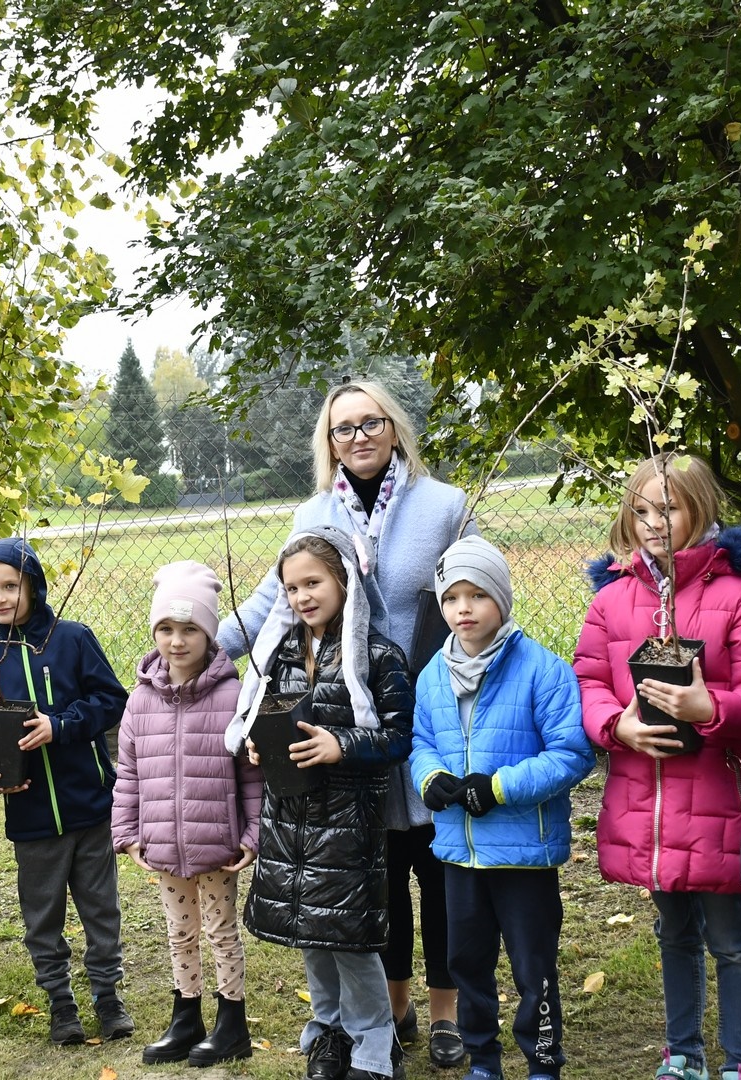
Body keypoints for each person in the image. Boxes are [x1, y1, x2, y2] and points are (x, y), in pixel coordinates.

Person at [219, 380, 468, 1067]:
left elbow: (475, 589)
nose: (357, 438)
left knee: (433, 865)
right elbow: (273, 599)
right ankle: (389, 1008)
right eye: (342, 429)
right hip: (340, 717)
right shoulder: (313, 512)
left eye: (369, 423)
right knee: (367, 872)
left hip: (423, 705)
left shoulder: (442, 506)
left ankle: (446, 1011)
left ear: (393, 427)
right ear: (327, 443)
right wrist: (192, 644)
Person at [573, 456, 741, 1080]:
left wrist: (709, 706)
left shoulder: (740, 596)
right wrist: (616, 725)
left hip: (717, 798)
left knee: (733, 941)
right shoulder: (613, 601)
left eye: (669, 509)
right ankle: (682, 1052)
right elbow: (590, 679)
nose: (654, 523)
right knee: (674, 933)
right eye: (642, 511)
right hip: (649, 801)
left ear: (701, 510)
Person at [226, 526, 414, 1080]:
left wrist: (342, 744)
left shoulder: (379, 657)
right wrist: (262, 746)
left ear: (344, 581)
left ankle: (376, 1043)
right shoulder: (278, 653)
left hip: (346, 823)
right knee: (311, 933)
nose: (302, 596)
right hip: (290, 817)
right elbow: (265, 715)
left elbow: (399, 739)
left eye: (313, 582)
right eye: (290, 588)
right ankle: (328, 1034)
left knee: (348, 938)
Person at [412, 536, 592, 1080]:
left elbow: (570, 754)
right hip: (459, 854)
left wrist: (498, 788)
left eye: (477, 595)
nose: (463, 609)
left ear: (502, 600)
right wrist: (432, 779)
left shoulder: (543, 670)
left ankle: (541, 1061)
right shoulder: (431, 677)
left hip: (524, 855)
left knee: (532, 969)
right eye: (451, 598)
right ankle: (483, 1060)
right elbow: (421, 743)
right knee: (467, 962)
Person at [0, 536, 133, 1046]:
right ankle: (61, 1002)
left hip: (88, 807)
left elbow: (112, 700)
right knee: (41, 915)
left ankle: (107, 994)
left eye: (10, 586)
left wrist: (59, 726)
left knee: (101, 907)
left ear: (33, 586)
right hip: (31, 815)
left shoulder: (72, 639)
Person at [111, 560, 263, 1067]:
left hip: (216, 843)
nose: (177, 641)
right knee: (180, 932)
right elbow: (128, 772)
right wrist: (127, 833)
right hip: (163, 844)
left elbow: (250, 776)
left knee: (221, 930)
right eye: (167, 629)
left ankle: (232, 1021)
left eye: (190, 629)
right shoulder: (139, 701)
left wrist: (252, 834)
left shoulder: (231, 696)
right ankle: (186, 1015)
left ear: (210, 633)